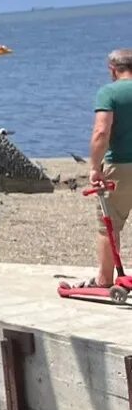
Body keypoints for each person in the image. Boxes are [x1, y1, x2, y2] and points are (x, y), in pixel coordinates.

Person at [85, 49, 132, 288]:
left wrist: (95, 167)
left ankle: (104, 280)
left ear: (112, 69)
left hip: (121, 166)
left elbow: (101, 132)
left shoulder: (109, 92)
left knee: (108, 225)